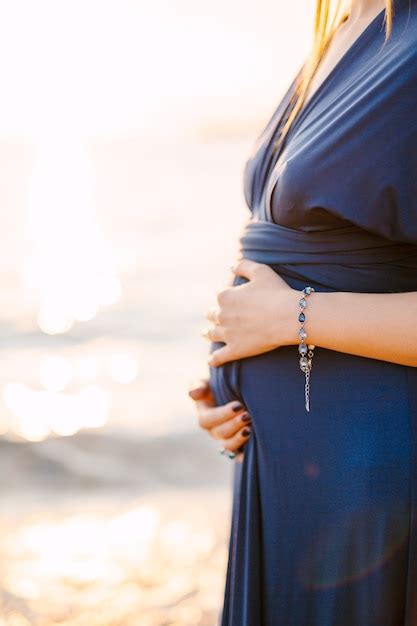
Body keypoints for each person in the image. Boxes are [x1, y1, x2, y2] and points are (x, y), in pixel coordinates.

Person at [189, 0, 417, 623]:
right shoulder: (349, 22)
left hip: (366, 475)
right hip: (285, 462)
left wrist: (290, 318)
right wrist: (230, 380)